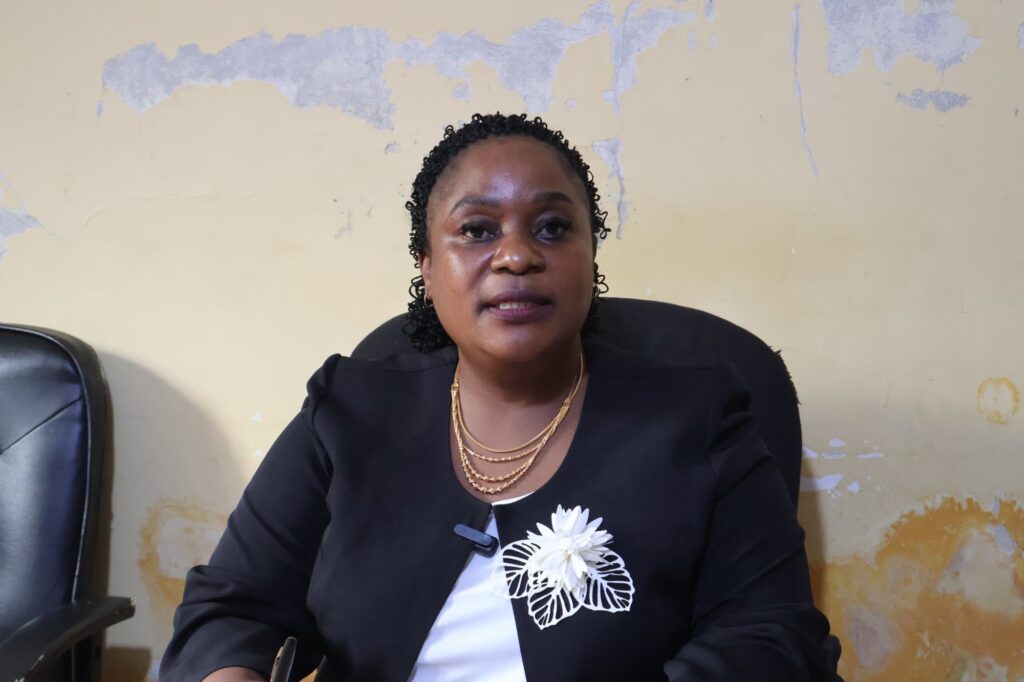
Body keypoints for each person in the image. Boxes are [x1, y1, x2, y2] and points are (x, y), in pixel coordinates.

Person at [161, 112, 840, 681]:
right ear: (428, 269)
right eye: (478, 231)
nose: (517, 256)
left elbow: (769, 636)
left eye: (552, 228)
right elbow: (232, 606)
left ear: (590, 257)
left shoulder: (699, 421)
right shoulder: (347, 414)